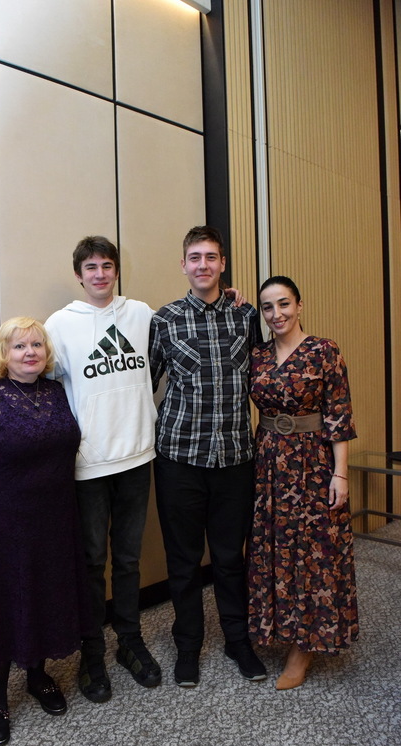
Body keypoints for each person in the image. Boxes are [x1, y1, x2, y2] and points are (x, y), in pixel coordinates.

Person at [0, 237, 161, 704]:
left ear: (117, 270)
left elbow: (184, 335)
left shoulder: (143, 315)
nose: (99, 274)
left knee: (129, 561)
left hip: (138, 455)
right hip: (88, 464)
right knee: (91, 564)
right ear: (78, 274)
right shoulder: (60, 323)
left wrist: (230, 298)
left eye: (107, 265)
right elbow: (31, 368)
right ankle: (93, 655)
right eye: (90, 267)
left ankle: (129, 643)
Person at [0, 317, 90, 746]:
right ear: (2, 355)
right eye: (19, 346)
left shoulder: (57, 392)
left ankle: (36, 675)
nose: (30, 352)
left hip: (54, 522)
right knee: (1, 606)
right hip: (2, 527)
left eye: (36, 345)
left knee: (45, 598)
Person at [148, 225, 267, 688]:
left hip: (235, 458)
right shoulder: (164, 320)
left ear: (223, 264)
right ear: (183, 265)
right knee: (183, 561)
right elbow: (142, 384)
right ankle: (188, 646)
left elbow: (268, 371)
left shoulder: (246, 315)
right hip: (179, 458)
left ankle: (239, 641)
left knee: (230, 559)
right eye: (195, 257)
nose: (203, 265)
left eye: (211, 257)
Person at [248, 276, 358, 690]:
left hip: (312, 462)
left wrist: (340, 473)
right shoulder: (257, 354)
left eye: (284, 304)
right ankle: (281, 627)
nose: (277, 314)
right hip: (268, 462)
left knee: (312, 551)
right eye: (268, 307)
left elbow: (339, 414)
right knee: (275, 548)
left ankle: (304, 646)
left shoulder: (324, 351)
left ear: (299, 305)